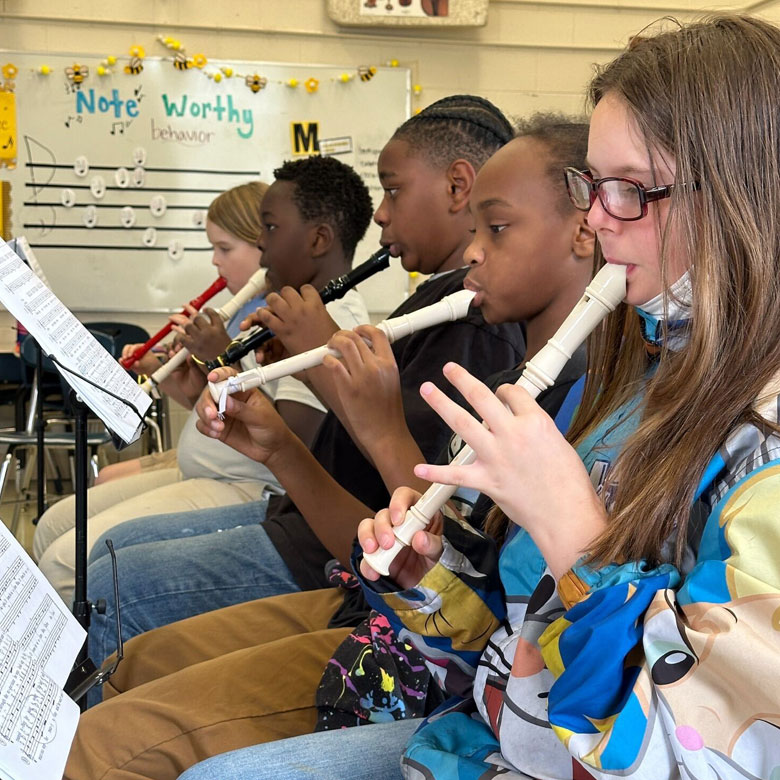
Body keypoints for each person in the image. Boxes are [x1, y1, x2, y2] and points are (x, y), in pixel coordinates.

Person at [178, 13, 780, 780]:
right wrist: (423, 585)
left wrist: (575, 537)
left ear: (745, 198)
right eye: (596, 186)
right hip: (483, 742)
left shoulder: (764, 454)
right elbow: (511, 645)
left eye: (629, 189)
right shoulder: (624, 383)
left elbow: (680, 757)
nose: (596, 219)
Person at [63, 112, 596, 780]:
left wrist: (365, 414)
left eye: (497, 228)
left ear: (585, 227)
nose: (473, 253)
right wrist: (281, 449)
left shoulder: (549, 388)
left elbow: (464, 598)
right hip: (384, 615)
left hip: (430, 673)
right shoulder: (507, 367)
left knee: (122, 706)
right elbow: (412, 566)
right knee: (132, 665)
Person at [36, 160, 372, 605]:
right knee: (54, 526)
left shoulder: (327, 318)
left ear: (316, 239)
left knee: (69, 562)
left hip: (252, 489)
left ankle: (86, 663)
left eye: (267, 232)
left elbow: (292, 438)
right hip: (218, 469)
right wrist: (192, 385)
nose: (263, 250)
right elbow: (237, 410)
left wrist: (217, 355)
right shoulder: (287, 307)